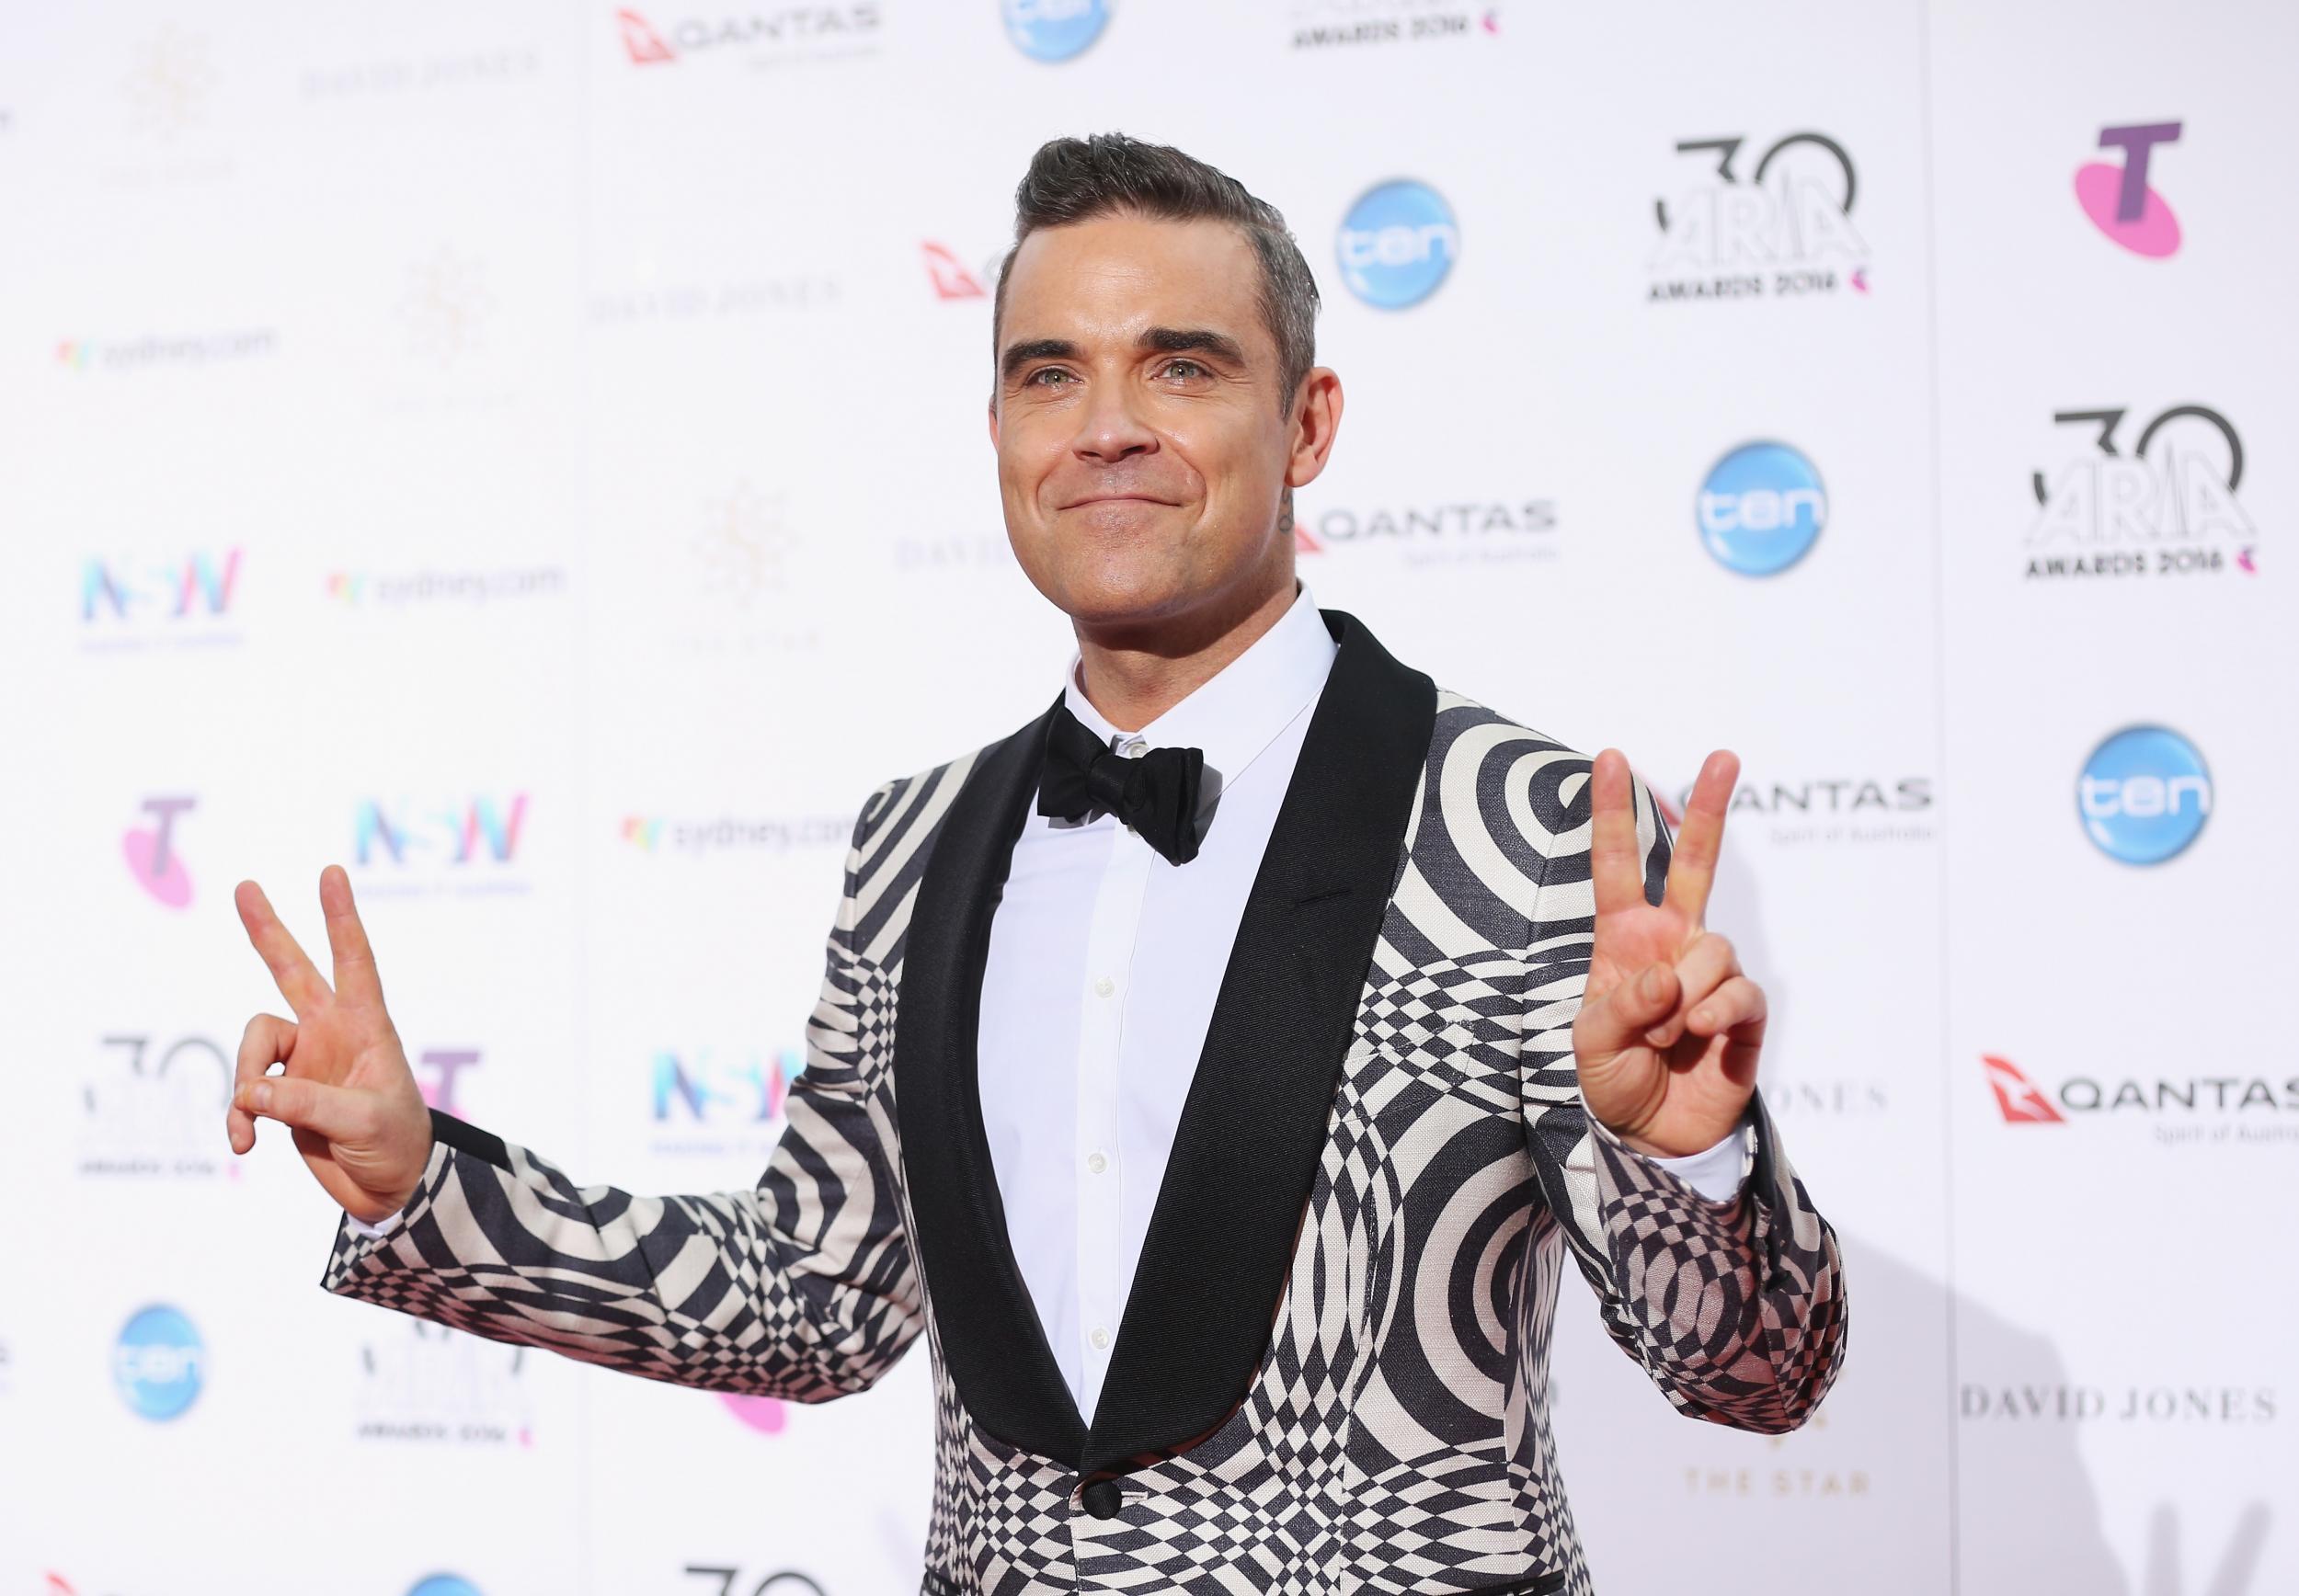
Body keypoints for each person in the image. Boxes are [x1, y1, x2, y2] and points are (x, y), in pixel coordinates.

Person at [227, 132, 1845, 1595]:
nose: (1110, 429)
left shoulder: (1529, 826)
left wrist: (1692, 1164)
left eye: (1183, 367)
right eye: (1050, 374)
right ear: (998, 425)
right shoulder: (914, 841)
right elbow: (816, 1296)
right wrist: (420, 1180)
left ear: (1309, 422)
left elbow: (1764, 1376)